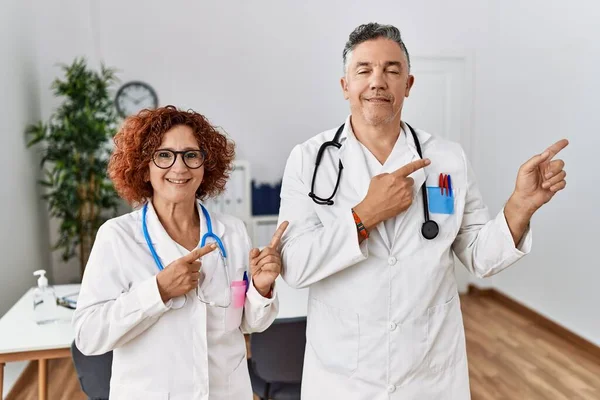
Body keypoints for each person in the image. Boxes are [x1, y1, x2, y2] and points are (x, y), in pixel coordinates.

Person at [277, 22, 568, 399]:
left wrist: (520, 206)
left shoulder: (446, 158)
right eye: (363, 70)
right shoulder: (310, 160)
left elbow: (480, 257)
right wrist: (364, 216)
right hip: (343, 374)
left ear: (409, 85)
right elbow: (295, 266)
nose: (377, 81)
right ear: (345, 85)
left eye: (391, 70)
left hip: (429, 374)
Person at [73, 105, 288, 400]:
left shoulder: (232, 231)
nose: (179, 167)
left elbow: (246, 322)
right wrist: (158, 291)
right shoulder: (117, 237)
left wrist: (261, 288)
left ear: (205, 166)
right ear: (144, 168)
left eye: (191, 155)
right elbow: (88, 336)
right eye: (164, 155)